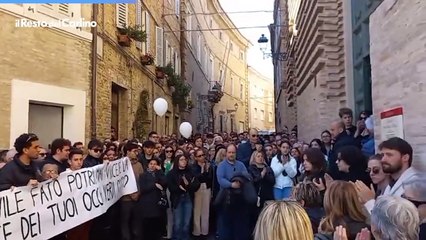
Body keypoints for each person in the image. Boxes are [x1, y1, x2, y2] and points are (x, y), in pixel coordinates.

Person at [355, 137, 418, 213]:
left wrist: (370, 201)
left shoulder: (415, 184)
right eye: (383, 155)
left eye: (389, 155)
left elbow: (397, 221)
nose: (383, 159)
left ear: (405, 158)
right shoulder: (391, 184)